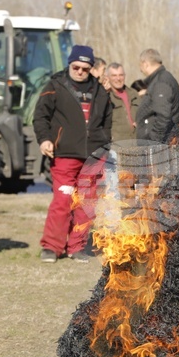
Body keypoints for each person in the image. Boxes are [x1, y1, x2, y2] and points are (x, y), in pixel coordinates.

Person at [32, 45, 112, 263]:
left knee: (86, 205)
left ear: (91, 69)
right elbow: (40, 117)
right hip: (65, 154)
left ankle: (76, 247)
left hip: (93, 156)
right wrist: (45, 139)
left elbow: (107, 121)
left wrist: (104, 145)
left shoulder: (100, 90)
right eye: (76, 67)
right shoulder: (55, 86)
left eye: (85, 69)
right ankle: (52, 247)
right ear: (69, 64)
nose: (79, 71)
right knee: (62, 201)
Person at [135, 48, 179, 144]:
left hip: (159, 146)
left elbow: (163, 116)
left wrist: (153, 142)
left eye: (140, 65)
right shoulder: (159, 80)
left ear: (145, 63)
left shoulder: (161, 82)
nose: (140, 70)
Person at [105, 63, 138, 142]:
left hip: (136, 143)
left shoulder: (134, 94)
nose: (118, 78)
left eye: (121, 75)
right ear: (107, 78)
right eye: (114, 75)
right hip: (117, 146)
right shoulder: (106, 96)